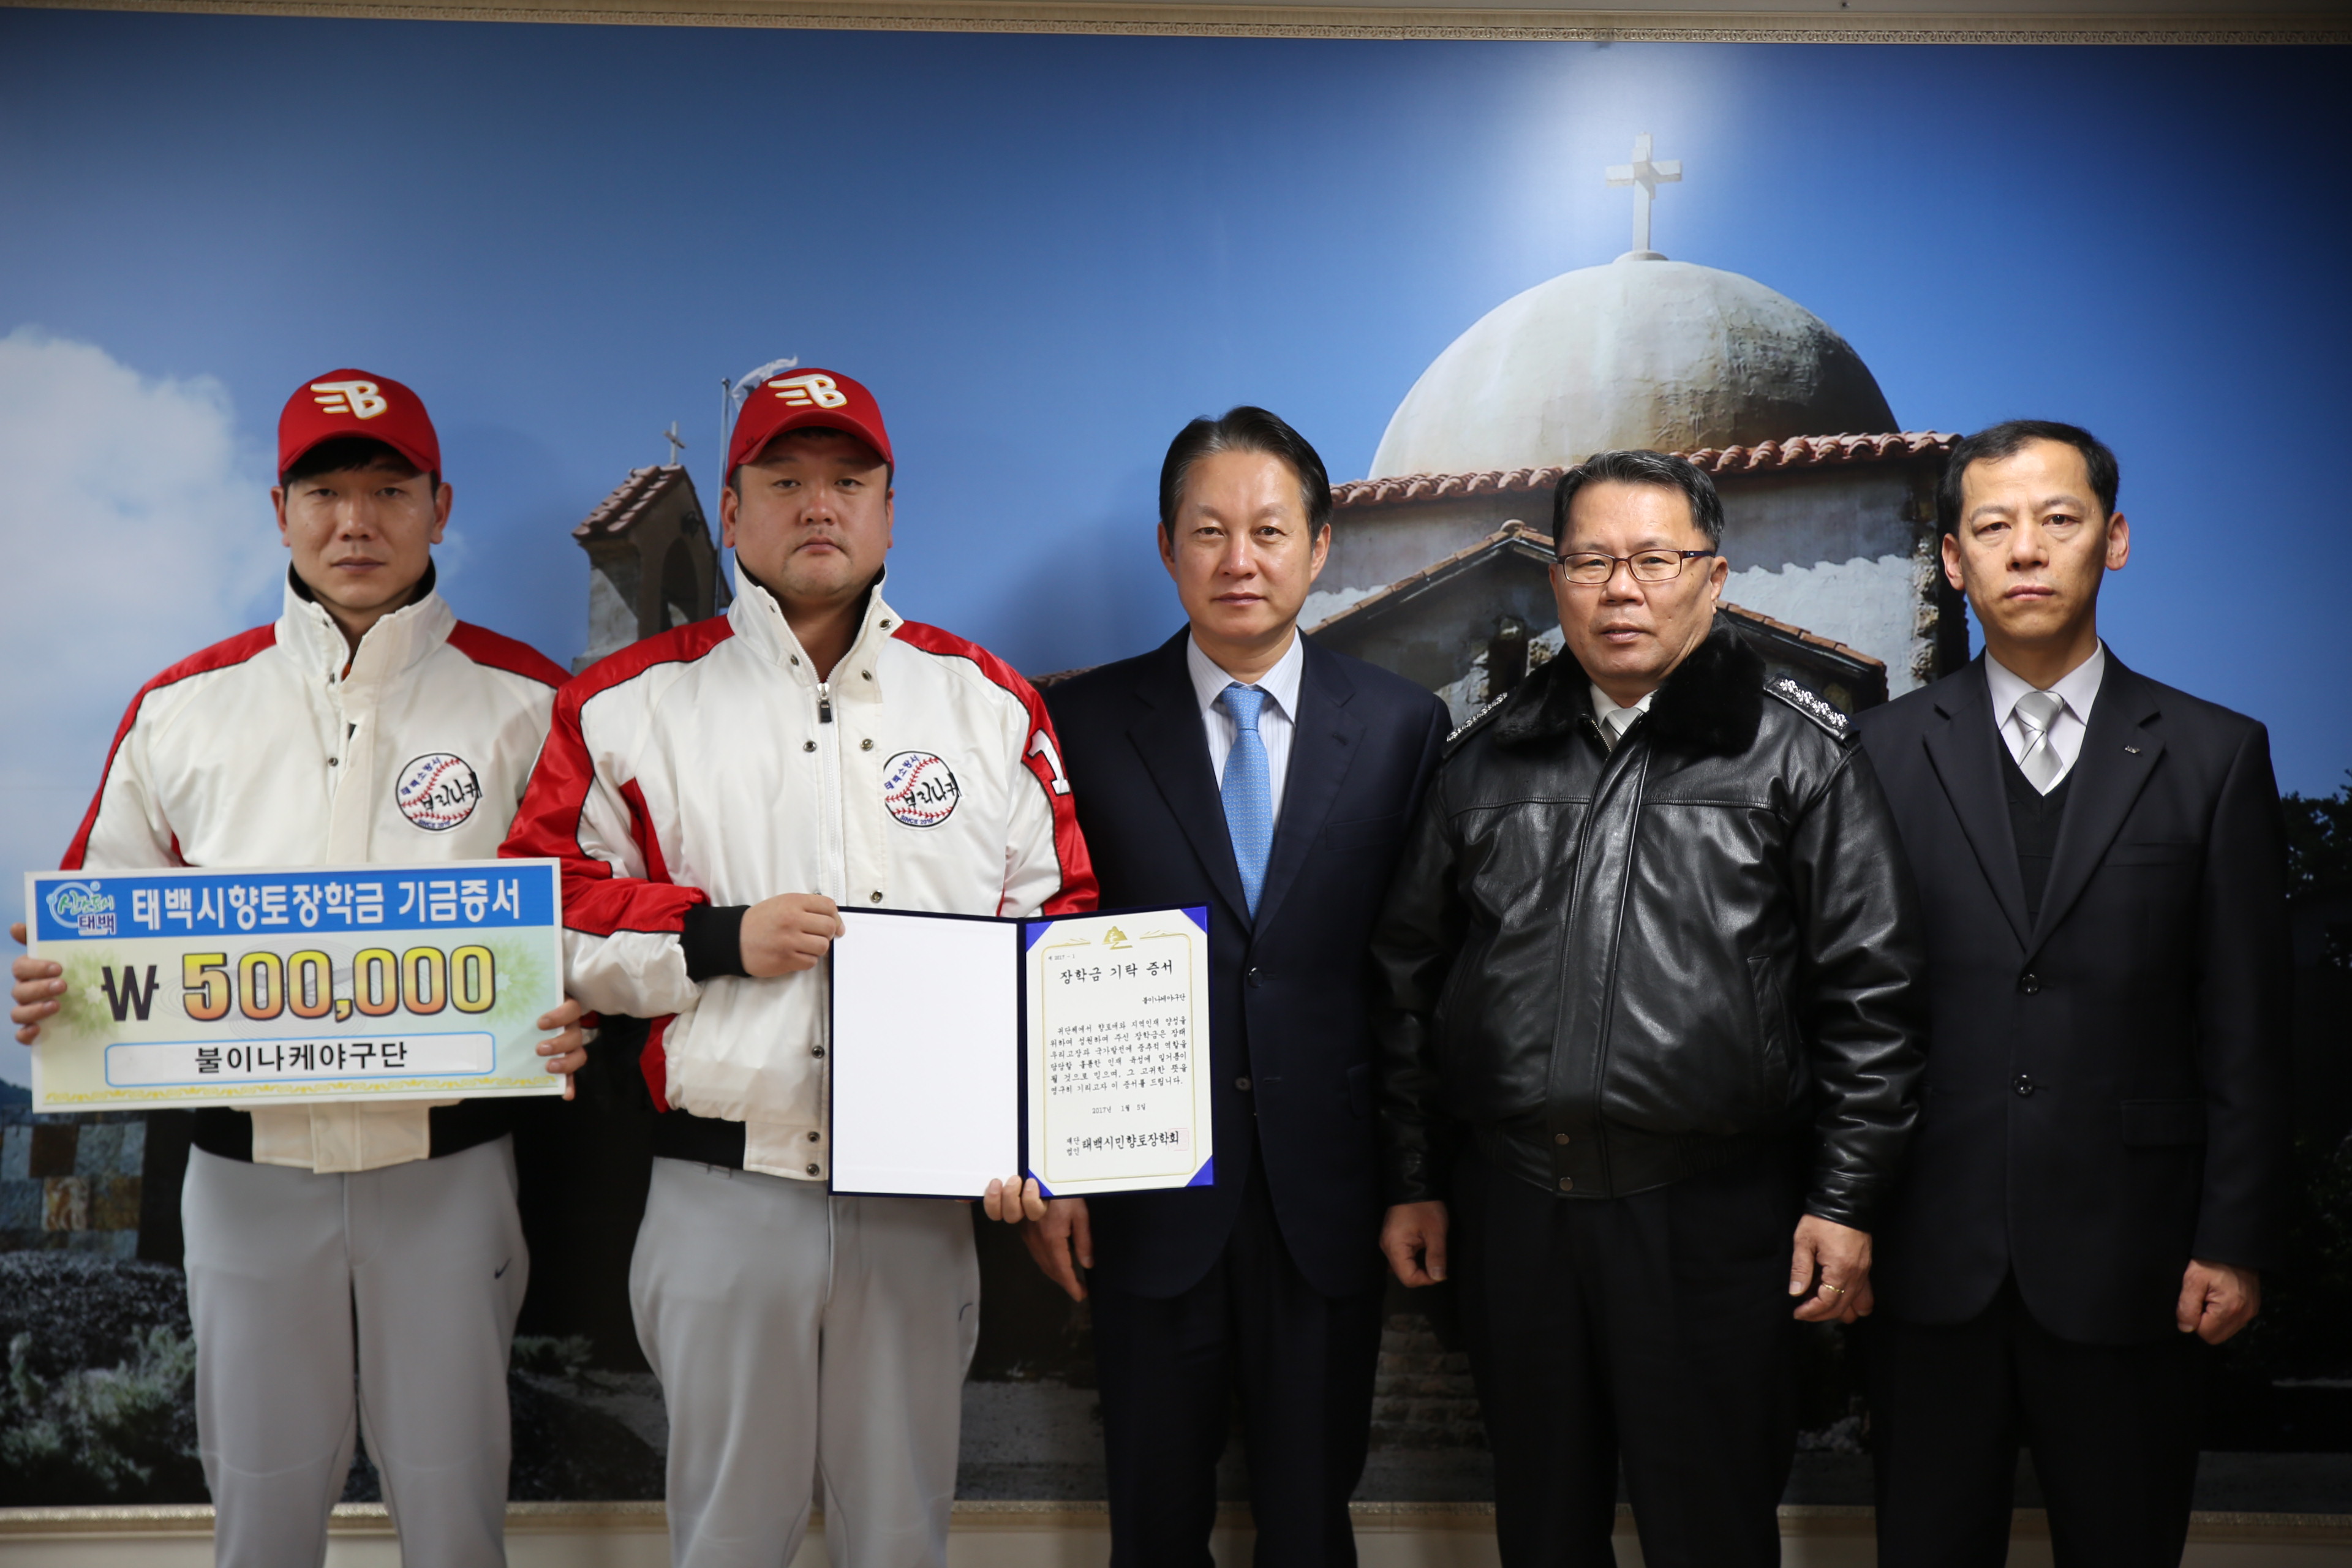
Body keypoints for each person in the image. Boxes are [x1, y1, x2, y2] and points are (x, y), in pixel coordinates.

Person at [499, 366, 1094, 1568]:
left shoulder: (987, 704)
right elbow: (541, 916)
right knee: (728, 1540)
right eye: (784, 481)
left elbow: (1061, 933)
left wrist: (1053, 1143)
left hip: (922, 1208)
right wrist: (717, 936)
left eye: (847, 480)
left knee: (902, 1538)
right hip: (723, 1193)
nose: (819, 504)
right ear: (730, 512)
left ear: (889, 511)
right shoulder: (626, 704)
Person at [8, 369, 586, 1567]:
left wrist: (574, 990)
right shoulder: (183, 705)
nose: (356, 521)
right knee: (261, 1515)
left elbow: (591, 906)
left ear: (440, 506)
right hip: (246, 1171)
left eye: (389, 490)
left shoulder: (531, 699)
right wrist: (62, 986)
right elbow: (99, 915)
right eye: (325, 492)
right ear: (280, 511)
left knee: (457, 1512)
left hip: (450, 1164)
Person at [1370, 449, 1926, 1567]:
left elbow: (1874, 997)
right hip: (1517, 1213)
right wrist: (1416, 1177)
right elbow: (1406, 983)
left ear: (1712, 578)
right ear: (1556, 580)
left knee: (1711, 1530)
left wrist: (1845, 1201)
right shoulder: (1480, 762)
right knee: (1542, 1530)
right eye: (1591, 562)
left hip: (1713, 1218)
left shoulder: (1799, 754)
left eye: (1654, 560)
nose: (1620, 589)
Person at [1853, 420, 2293, 1567]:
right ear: (1954, 560)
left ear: (2116, 539)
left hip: (2140, 1261)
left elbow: (2249, 1025)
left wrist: (2235, 1239)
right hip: (1927, 1258)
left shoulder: (2216, 754)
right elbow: (1850, 1010)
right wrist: (1840, 1213)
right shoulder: (1878, 754)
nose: (2027, 549)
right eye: (1993, 526)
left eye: (2059, 520)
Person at [1025, 407, 1449, 1566]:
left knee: (1310, 1523)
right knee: (1154, 1524)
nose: (1239, 560)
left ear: (1321, 547)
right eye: (1208, 532)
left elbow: (1413, 976)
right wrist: (1053, 1169)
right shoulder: (1079, 725)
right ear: (1167, 548)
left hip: (1331, 1192)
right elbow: (1043, 949)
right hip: (1143, 1189)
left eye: (1269, 531)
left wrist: (1415, 1179)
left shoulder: (1403, 727)